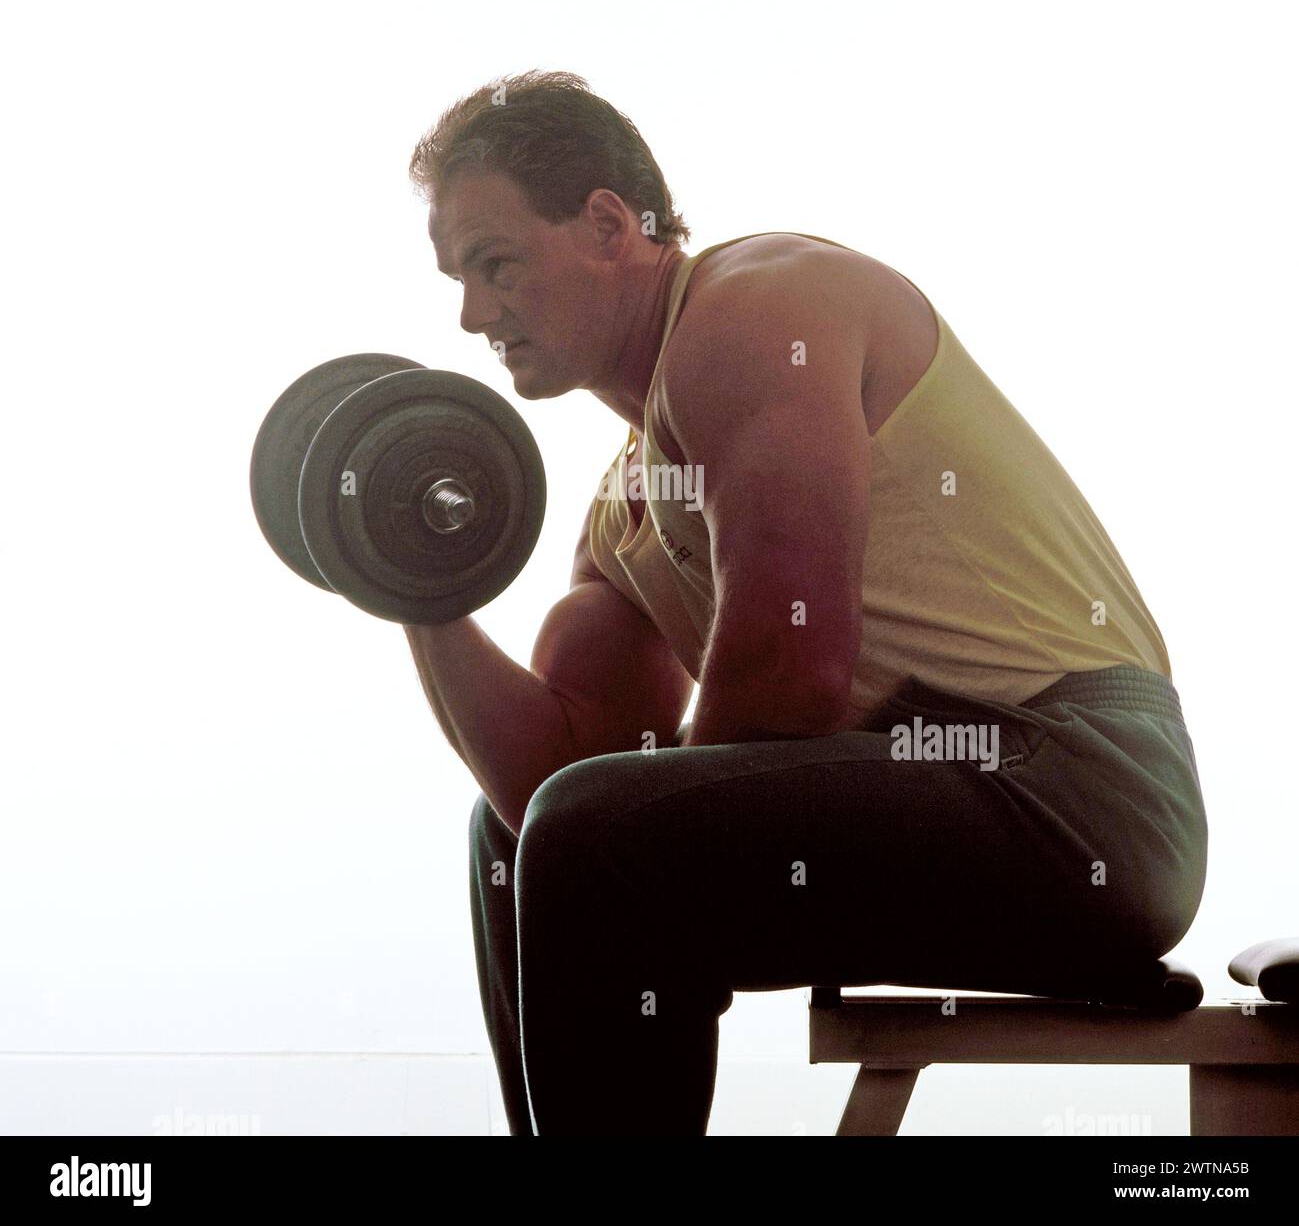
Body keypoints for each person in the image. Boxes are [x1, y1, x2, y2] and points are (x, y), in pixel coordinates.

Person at [401, 69, 1208, 1137]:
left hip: (1079, 792)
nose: (471, 313)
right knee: (517, 846)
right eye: (458, 279)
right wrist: (413, 583)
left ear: (606, 224)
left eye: (494, 264)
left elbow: (792, 672)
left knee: (601, 839)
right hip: (927, 787)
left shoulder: (755, 310)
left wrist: (623, 824)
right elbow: (546, 790)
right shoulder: (625, 511)